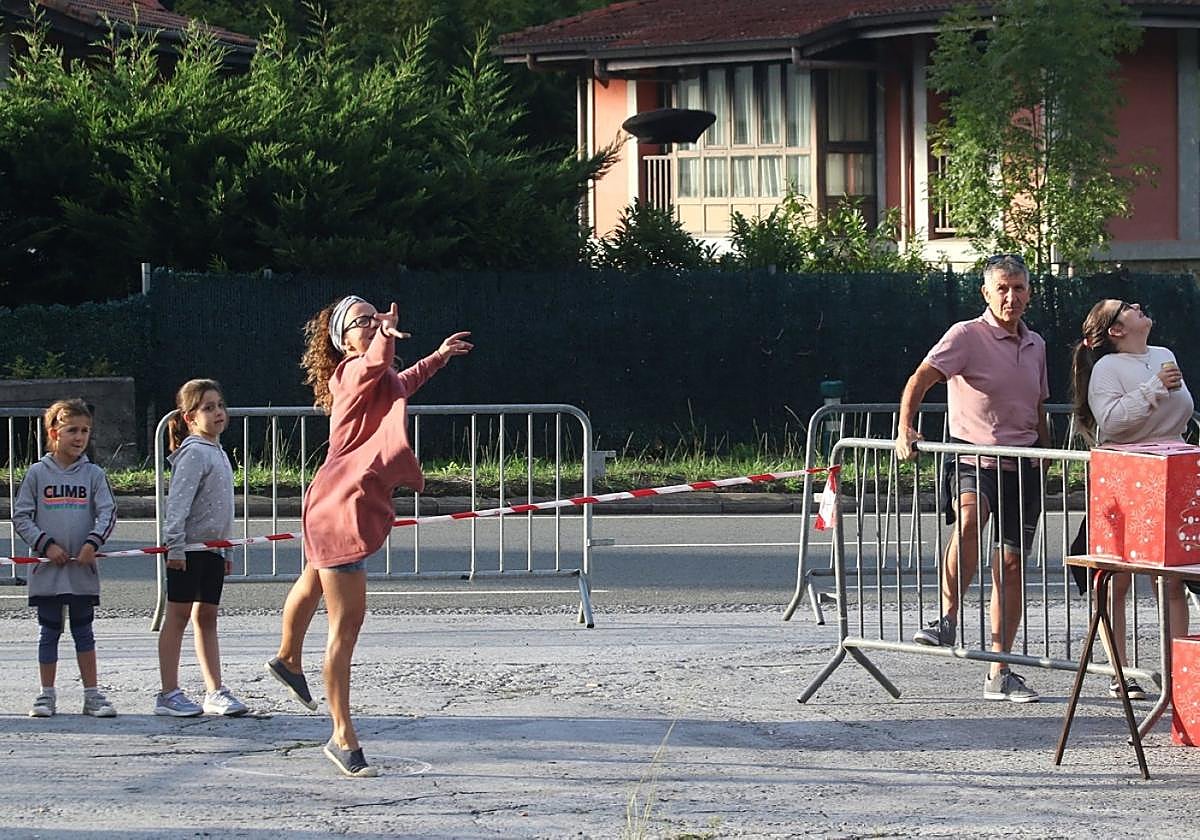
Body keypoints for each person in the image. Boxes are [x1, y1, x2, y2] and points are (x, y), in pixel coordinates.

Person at [266, 295, 472, 778]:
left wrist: (438, 356)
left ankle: (287, 657)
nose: (373, 323)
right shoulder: (351, 372)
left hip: (334, 501)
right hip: (342, 507)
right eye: (362, 320)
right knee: (345, 629)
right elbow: (378, 362)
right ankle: (341, 736)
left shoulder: (375, 378)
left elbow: (403, 381)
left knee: (312, 582)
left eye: (374, 316)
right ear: (344, 341)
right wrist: (386, 334)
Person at [895, 254, 1049, 703]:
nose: (1011, 297)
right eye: (1002, 288)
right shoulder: (965, 335)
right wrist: (906, 428)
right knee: (968, 521)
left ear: (1029, 293)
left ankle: (1000, 671)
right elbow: (921, 378)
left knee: (1011, 564)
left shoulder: (1036, 344)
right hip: (972, 458)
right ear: (986, 293)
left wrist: (1047, 455)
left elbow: (1038, 406)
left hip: (1023, 464)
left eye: (1018, 288)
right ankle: (946, 618)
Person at [1071, 298, 1193, 700]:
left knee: (1171, 578)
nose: (1138, 305)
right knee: (1117, 578)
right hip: (1128, 473)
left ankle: (1178, 674)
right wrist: (1154, 387)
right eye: (1126, 307)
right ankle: (1119, 671)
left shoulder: (1164, 353)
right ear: (1116, 331)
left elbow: (1182, 409)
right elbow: (1113, 421)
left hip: (1172, 468)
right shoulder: (1107, 368)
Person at [13, 398, 118, 718]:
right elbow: (21, 516)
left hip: (81, 572)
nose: (79, 437)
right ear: (53, 432)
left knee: (84, 631)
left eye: (85, 430)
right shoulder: (36, 474)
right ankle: (46, 695)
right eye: (72, 430)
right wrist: (45, 545)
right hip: (48, 572)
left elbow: (108, 512)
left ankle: (92, 695)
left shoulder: (94, 474)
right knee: (49, 631)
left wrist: (92, 543)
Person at [155, 379, 248, 717]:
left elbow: (225, 509)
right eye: (208, 408)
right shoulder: (193, 453)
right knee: (177, 616)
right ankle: (168, 693)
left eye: (220, 405)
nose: (218, 413)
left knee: (207, 616)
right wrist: (176, 547)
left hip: (212, 551)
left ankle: (215, 691)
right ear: (189, 416)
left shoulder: (218, 451)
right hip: (189, 550)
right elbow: (177, 504)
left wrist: (228, 550)